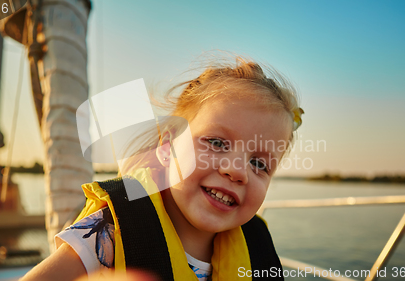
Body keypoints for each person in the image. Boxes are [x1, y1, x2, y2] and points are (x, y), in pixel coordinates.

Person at [21, 55, 303, 281]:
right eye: (216, 142)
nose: (238, 171)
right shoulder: (108, 234)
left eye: (259, 164)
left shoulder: (257, 248)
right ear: (167, 147)